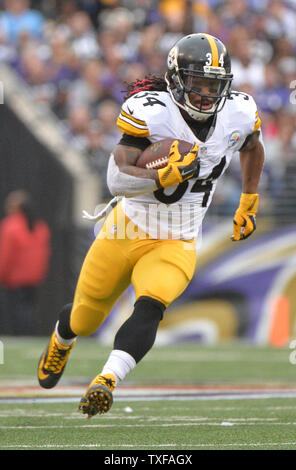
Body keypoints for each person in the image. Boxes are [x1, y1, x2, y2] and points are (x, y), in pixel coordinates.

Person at [38, 33, 264, 417]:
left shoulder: (239, 112)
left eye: (214, 85)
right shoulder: (151, 111)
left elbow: (253, 146)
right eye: (198, 83)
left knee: (150, 307)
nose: (207, 94)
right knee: (85, 317)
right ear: (177, 80)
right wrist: (161, 177)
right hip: (125, 229)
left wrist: (249, 199)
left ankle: (107, 379)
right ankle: (63, 336)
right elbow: (116, 179)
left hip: (176, 240)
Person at [0, 190, 51, 335]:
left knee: (17, 309)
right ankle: (30, 333)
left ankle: (20, 334)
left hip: (14, 277)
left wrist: (2, 274)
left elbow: (6, 255)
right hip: (34, 277)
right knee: (30, 309)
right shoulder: (39, 226)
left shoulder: (10, 226)